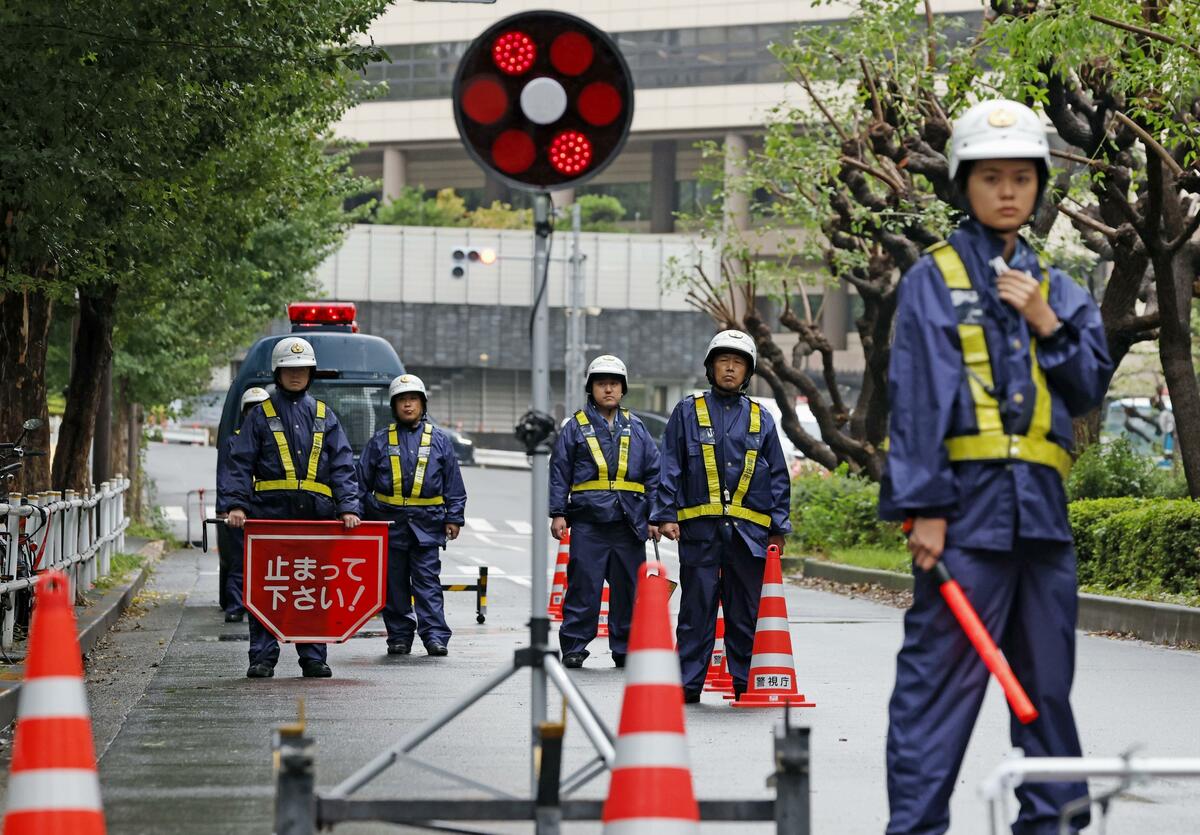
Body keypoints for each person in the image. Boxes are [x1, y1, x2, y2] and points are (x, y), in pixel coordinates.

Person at [879, 99, 1113, 835]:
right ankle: (916, 829)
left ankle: (1053, 827)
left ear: (1040, 185)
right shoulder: (933, 279)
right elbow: (914, 394)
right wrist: (927, 508)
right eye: (991, 178)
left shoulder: (1059, 285)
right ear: (964, 186)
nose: (1008, 191)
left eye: (1022, 177)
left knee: (1045, 692)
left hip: (1042, 520)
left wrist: (1047, 322)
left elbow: (1088, 383)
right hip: (966, 515)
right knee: (936, 693)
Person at [651, 331, 792, 702]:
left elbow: (778, 474)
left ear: (747, 371)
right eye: (723, 362)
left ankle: (747, 682)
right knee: (696, 611)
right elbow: (671, 464)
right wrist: (665, 514)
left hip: (750, 536)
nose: (730, 369)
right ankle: (688, 685)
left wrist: (779, 527)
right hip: (699, 532)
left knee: (745, 613)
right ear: (711, 368)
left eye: (738, 363)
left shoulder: (762, 418)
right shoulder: (688, 410)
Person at [218, 336, 362, 679]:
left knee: (311, 589)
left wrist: (347, 506)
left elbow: (343, 465)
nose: (296, 375)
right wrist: (236, 505)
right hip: (269, 518)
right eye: (289, 369)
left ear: (311, 373)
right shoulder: (260, 416)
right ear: (277, 372)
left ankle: (313, 656)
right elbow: (239, 463)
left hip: (316, 519)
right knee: (268, 587)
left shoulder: (326, 416)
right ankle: (262, 658)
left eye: (302, 369)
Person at [548, 355, 661, 669]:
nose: (608, 389)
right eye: (601, 384)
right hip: (588, 522)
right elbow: (560, 470)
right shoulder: (575, 427)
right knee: (584, 586)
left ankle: (625, 647)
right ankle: (574, 646)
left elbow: (654, 473)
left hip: (629, 523)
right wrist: (558, 512)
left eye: (614, 384)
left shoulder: (637, 427)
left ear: (622, 389)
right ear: (591, 388)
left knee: (628, 589)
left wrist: (654, 517)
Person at [358, 374, 466, 657]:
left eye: (413, 400)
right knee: (393, 584)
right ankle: (399, 636)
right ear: (394, 406)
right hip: (389, 524)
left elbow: (453, 482)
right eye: (403, 401)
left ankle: (434, 636)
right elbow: (359, 484)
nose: (408, 405)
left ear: (422, 404)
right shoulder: (380, 441)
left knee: (427, 582)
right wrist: (358, 516)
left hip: (427, 525)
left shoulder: (440, 441)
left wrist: (454, 517)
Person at [215, 386, 270, 623]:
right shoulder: (233, 440)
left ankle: (266, 605)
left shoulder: (276, 439)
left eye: (261, 409)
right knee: (240, 559)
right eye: (251, 409)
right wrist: (225, 507)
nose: (256, 413)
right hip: (241, 510)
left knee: (270, 561)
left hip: (268, 508)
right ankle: (236, 605)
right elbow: (226, 475)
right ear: (244, 413)